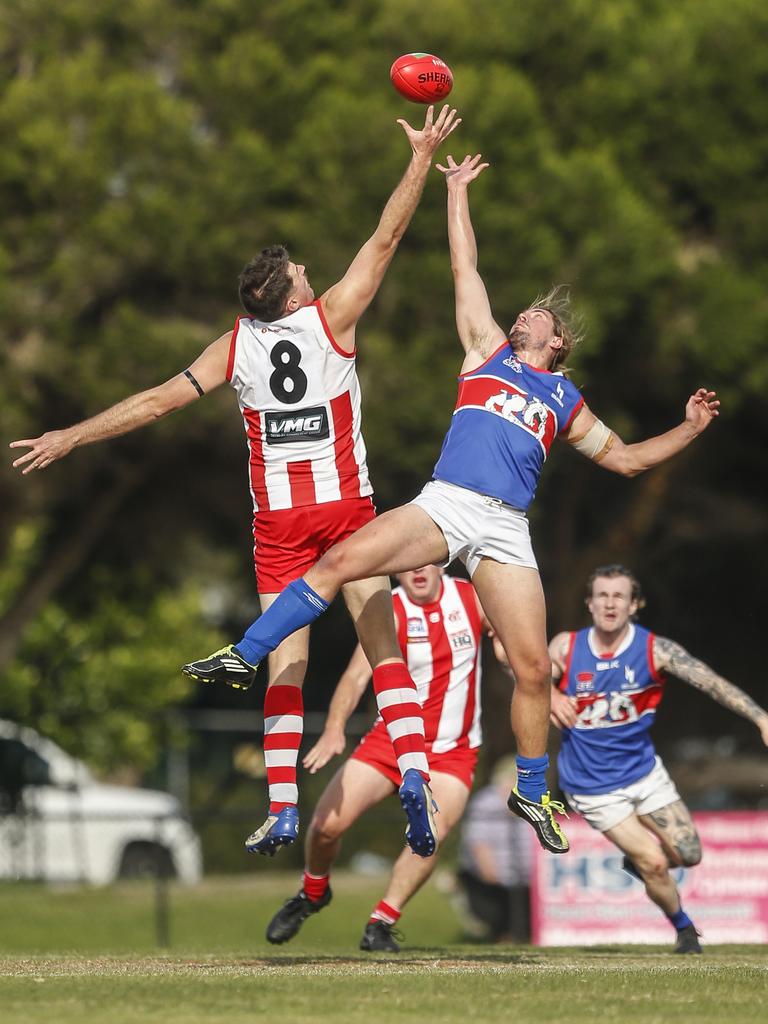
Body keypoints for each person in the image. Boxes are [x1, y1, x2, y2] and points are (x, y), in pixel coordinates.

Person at [184, 152, 720, 858]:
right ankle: (246, 653)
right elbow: (464, 268)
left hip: (505, 529)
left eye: (540, 319)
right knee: (343, 559)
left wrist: (689, 427)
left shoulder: (563, 399)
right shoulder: (486, 350)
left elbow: (623, 458)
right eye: (526, 311)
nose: (527, 314)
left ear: (556, 344)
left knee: (531, 669)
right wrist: (456, 191)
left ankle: (533, 789)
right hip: (446, 504)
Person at [9, 105, 461, 860]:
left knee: (288, 663)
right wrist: (419, 157)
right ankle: (414, 771)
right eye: (301, 276)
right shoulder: (333, 319)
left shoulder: (236, 346)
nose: (311, 275)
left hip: (280, 525)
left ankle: (283, 805)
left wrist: (70, 435)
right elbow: (385, 237)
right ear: (291, 297)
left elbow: (154, 402)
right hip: (348, 512)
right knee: (384, 647)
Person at [265, 564, 501, 952]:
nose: (419, 570)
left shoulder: (470, 596)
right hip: (389, 743)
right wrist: (334, 728)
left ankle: (382, 922)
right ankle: (312, 892)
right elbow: (357, 677)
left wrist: (519, 664)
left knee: (429, 835)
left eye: (426, 561)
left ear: (441, 562)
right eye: (408, 566)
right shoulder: (388, 609)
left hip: (451, 752)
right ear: (396, 571)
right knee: (324, 826)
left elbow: (507, 634)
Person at [549, 563, 768, 954]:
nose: (610, 603)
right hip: (591, 785)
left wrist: (759, 717)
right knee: (653, 862)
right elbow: (527, 674)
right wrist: (549, 695)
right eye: (602, 595)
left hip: (644, 773)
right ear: (590, 603)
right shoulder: (566, 647)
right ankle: (684, 930)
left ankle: (641, 865)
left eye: (619, 596)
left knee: (689, 853)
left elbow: (711, 682)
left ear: (635, 605)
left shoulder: (655, 649)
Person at [456, 756, 533, 943]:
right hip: (494, 882)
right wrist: (495, 880)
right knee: (502, 909)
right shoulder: (485, 803)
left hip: (528, 880)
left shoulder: (536, 803)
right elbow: (479, 847)